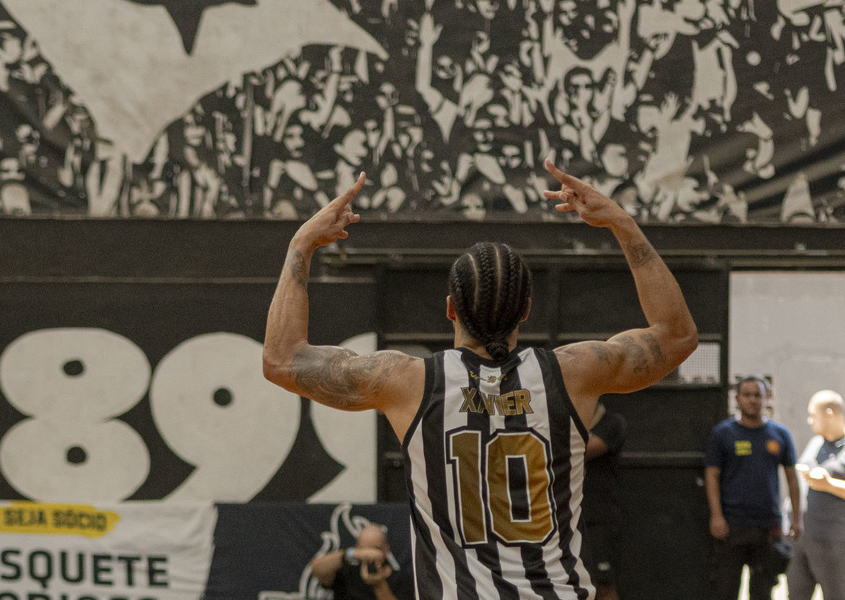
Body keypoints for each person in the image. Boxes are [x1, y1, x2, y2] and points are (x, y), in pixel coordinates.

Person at [263, 159, 699, 599]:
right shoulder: (572, 372)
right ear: (526, 310)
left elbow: (281, 360)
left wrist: (301, 243)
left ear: (450, 308)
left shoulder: (407, 381)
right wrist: (622, 223)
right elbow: (676, 336)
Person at [704, 376, 801, 600]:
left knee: (763, 593)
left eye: (758, 395)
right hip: (732, 526)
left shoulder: (780, 434)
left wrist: (797, 519)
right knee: (726, 591)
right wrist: (716, 516)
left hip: (768, 526)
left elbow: (792, 478)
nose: (752, 400)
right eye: (747, 395)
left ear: (767, 399)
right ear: (737, 398)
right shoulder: (722, 433)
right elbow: (711, 475)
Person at [787, 390, 845, 600]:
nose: (810, 420)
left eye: (813, 415)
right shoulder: (815, 443)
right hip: (802, 539)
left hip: (834, 543)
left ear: (829, 414)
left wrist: (829, 485)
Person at [582, 402, 628, 600]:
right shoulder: (566, 422)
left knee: (603, 584)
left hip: (599, 517)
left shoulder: (612, 422)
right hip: (567, 517)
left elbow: (585, 449)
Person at [309, 523, 411, 600]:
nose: (369, 555)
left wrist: (379, 585)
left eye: (375, 549)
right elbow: (316, 569)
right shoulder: (348, 573)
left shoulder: (401, 578)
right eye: (364, 549)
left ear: (386, 549)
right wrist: (350, 554)